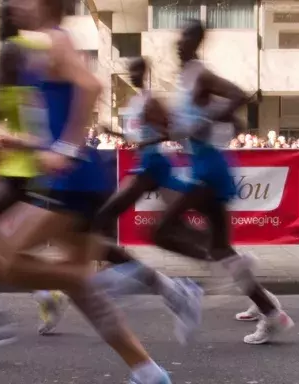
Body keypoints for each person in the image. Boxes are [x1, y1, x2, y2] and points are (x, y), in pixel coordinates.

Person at [0, 0, 172, 382]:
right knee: (84, 294)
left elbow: (91, 84)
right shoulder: (45, 44)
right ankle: (148, 371)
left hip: (70, 181)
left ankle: (97, 281)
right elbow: (52, 123)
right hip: (80, 179)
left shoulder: (54, 40)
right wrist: (18, 139)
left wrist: (64, 148)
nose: (16, 4)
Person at [150, 19, 292, 345]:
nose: (178, 42)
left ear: (197, 41)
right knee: (221, 248)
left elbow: (238, 96)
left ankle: (215, 271)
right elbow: (210, 120)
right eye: (178, 36)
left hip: (207, 169)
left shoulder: (200, 73)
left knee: (160, 231)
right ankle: (271, 312)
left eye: (185, 37)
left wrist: (206, 120)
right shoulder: (186, 78)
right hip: (203, 164)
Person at [87, 56, 204, 343]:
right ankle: (196, 273)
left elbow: (170, 131)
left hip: (154, 165)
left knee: (104, 216)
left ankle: (128, 276)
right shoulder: (137, 102)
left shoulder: (151, 101)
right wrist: (112, 132)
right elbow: (136, 136)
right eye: (131, 71)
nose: (134, 74)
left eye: (138, 70)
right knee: (166, 228)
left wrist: (148, 142)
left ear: (145, 72)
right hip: (146, 165)